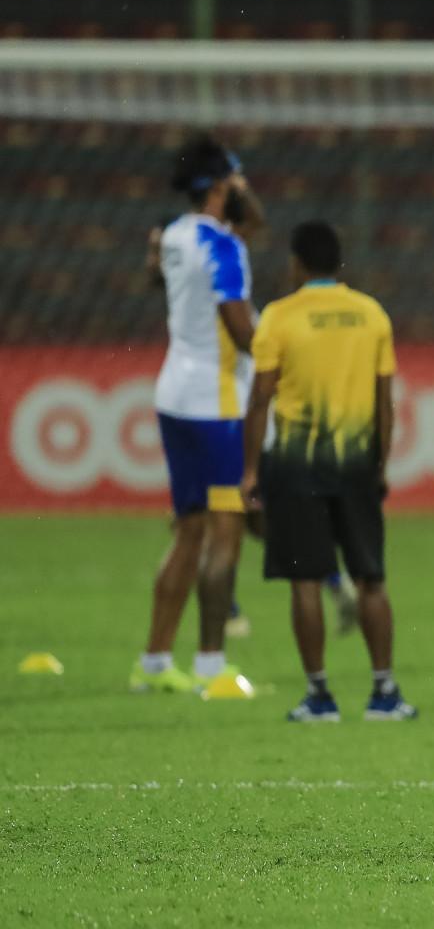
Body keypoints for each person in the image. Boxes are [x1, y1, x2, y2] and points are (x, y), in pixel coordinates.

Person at [242, 221, 417, 722]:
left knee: (306, 581)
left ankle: (319, 696)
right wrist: (382, 463)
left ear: (296, 263)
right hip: (357, 463)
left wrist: (251, 471)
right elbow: (385, 400)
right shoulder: (371, 316)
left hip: (295, 465)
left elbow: (260, 398)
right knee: (371, 578)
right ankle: (384, 693)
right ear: (340, 264)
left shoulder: (278, 317)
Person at [130, 135, 262, 694]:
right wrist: (285, 353)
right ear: (215, 186)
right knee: (224, 534)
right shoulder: (223, 248)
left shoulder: (176, 235)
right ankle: (213, 667)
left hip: (174, 394)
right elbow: (241, 330)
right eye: (236, 179)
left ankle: (155, 664)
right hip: (216, 401)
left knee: (188, 531)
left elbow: (159, 277)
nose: (243, 187)